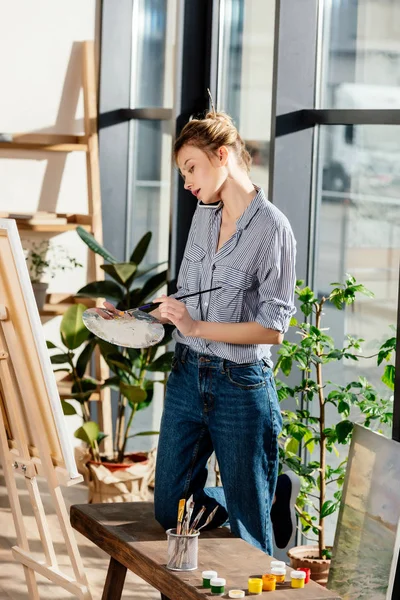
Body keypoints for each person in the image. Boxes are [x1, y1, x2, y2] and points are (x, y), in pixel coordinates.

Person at [147, 107, 297, 556]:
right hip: (188, 373)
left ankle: (259, 500)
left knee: (250, 534)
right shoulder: (203, 216)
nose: (186, 181)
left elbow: (273, 330)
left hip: (240, 385)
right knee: (169, 509)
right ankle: (252, 495)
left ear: (223, 155)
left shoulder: (273, 228)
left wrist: (195, 325)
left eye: (191, 167)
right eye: (181, 172)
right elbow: (193, 294)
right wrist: (169, 313)